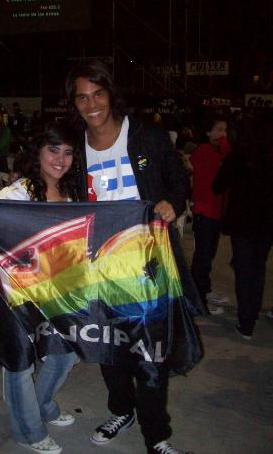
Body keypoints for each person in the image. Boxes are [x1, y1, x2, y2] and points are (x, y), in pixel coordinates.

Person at [65, 60, 198, 454]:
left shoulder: (146, 136)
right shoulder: (75, 147)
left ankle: (156, 434)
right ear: (74, 103)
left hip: (150, 264)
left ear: (110, 94)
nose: (91, 105)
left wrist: (174, 202)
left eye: (98, 94)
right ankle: (121, 410)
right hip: (100, 266)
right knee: (111, 344)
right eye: (82, 97)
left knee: (151, 352)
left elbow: (178, 180)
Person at [0, 123, 78, 454]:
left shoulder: (70, 193)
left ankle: (42, 405)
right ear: (38, 153)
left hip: (59, 289)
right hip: (17, 291)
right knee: (21, 361)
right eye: (53, 150)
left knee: (66, 352)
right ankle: (26, 430)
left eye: (68, 152)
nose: (60, 159)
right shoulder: (17, 193)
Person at [212, 115, 273, 339]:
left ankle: (246, 322)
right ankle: (253, 312)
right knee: (258, 267)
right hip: (266, 222)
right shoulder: (268, 157)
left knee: (244, 270)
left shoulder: (237, 157)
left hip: (242, 221)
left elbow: (218, 186)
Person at [190, 115, 231, 314]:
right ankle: (197, 298)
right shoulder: (204, 151)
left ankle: (204, 291)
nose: (223, 134)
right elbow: (217, 178)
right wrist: (224, 146)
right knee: (202, 257)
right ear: (208, 132)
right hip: (204, 211)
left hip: (215, 212)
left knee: (208, 255)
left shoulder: (215, 150)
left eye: (225, 130)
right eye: (219, 129)